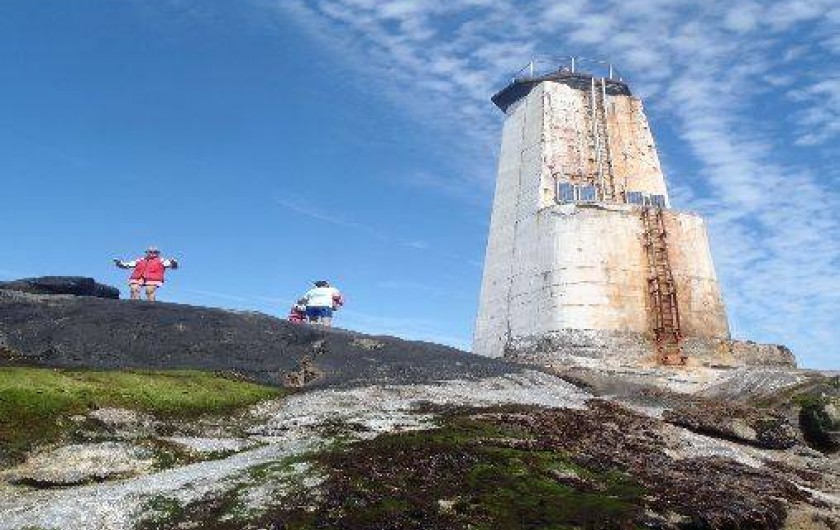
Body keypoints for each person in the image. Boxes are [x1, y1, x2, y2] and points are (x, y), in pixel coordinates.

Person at [114, 246, 179, 302]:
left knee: (149, 290)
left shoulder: (161, 260)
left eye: (155, 252)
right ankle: (135, 304)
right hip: (138, 277)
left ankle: (151, 305)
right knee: (134, 289)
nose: (152, 253)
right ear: (147, 252)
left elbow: (172, 266)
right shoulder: (140, 260)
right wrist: (120, 263)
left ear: (158, 253)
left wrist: (174, 263)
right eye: (150, 252)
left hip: (153, 278)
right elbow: (128, 265)